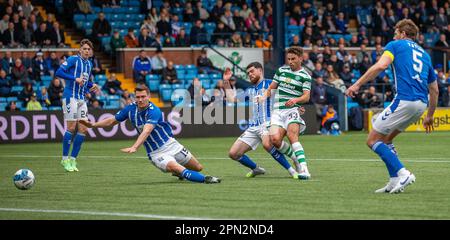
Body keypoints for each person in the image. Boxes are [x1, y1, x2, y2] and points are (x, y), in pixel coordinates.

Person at [345, 19, 439, 194]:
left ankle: (403, 173)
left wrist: (357, 84)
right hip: (421, 105)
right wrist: (429, 116)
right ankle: (394, 179)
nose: (394, 36)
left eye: (396, 33)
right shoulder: (425, 55)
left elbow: (381, 65)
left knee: (372, 140)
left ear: (403, 34)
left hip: (404, 100)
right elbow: (434, 89)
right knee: (386, 140)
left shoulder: (395, 45)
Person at [79, 86, 221, 184]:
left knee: (197, 167)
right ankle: (206, 179)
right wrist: (93, 125)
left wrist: (135, 147)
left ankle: (181, 173)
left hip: (171, 144)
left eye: (143, 97)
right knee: (177, 168)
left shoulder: (155, 111)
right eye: (137, 97)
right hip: (156, 152)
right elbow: (111, 121)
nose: (140, 99)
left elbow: (147, 130)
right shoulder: (130, 109)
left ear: (149, 96)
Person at [223, 64, 299, 179]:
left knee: (267, 144)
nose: (250, 74)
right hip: (253, 126)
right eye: (248, 73)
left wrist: (297, 105)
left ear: (260, 70)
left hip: (268, 123)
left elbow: (287, 94)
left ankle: (292, 170)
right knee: (233, 153)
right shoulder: (250, 90)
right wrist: (226, 81)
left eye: (252, 71)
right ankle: (256, 169)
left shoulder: (270, 83)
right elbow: (231, 99)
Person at [264, 46, 312, 179]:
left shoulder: (305, 76)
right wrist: (263, 96)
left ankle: (304, 170)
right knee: (275, 140)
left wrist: (296, 100)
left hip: (292, 110)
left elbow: (306, 96)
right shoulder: (281, 71)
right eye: (288, 59)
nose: (290, 61)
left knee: (292, 136)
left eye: (293, 59)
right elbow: (271, 88)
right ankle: (295, 159)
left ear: (301, 59)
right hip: (278, 111)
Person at [55, 39, 99, 172]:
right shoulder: (73, 59)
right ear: (80, 50)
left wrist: (91, 86)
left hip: (81, 99)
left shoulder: (89, 64)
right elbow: (58, 72)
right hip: (70, 97)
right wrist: (75, 79)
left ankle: (73, 160)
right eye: (84, 49)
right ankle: (64, 159)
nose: (86, 51)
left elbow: (84, 82)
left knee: (83, 129)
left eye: (88, 49)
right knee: (72, 126)